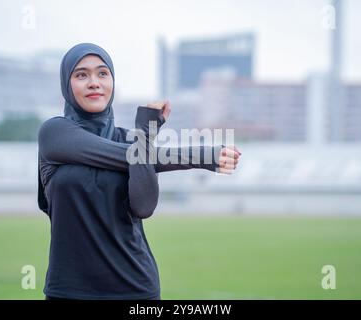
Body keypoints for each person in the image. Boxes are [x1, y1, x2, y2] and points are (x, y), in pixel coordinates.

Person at [37, 43, 241, 300]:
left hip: (135, 289)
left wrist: (143, 137)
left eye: (102, 73)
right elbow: (124, 156)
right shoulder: (54, 134)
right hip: (67, 291)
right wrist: (203, 155)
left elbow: (144, 207)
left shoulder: (135, 144)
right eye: (81, 75)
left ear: (112, 81)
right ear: (67, 85)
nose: (94, 82)